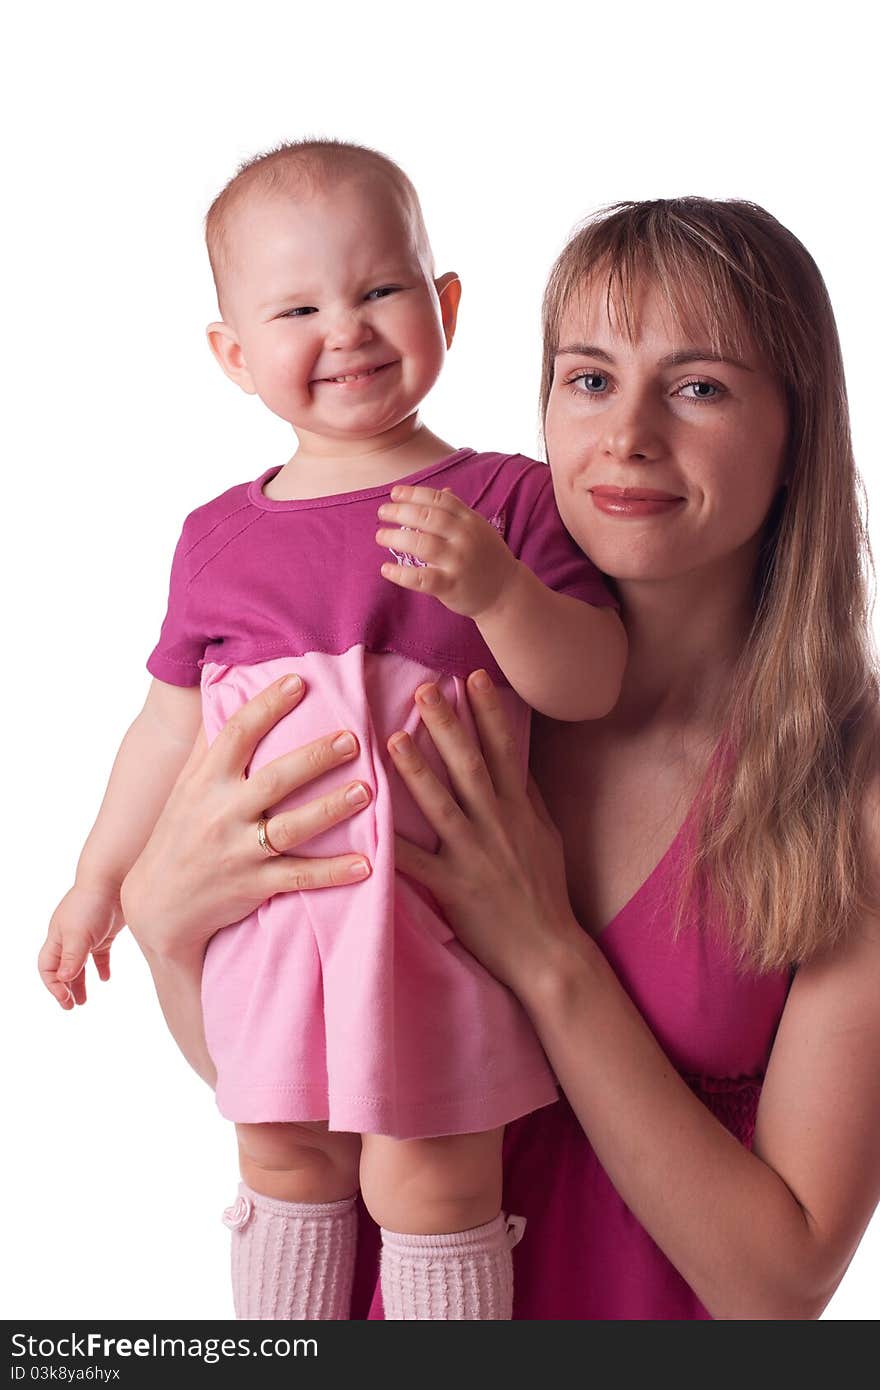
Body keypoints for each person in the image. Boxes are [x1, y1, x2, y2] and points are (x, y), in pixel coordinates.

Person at [116, 194, 880, 1320]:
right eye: (587, 379)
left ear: (796, 434)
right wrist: (162, 927)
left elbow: (777, 1285)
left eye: (699, 385)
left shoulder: (849, 792)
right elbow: (301, 1086)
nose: (626, 435)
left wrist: (546, 955)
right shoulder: (427, 703)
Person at [36, 139, 626, 1322]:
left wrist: (500, 593)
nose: (347, 328)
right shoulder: (215, 535)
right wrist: (96, 878)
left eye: (379, 290)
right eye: (299, 307)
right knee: (284, 1161)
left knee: (433, 1177)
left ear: (445, 305)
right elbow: (162, 730)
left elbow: (591, 682)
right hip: (273, 933)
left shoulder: (503, 498)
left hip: (433, 925)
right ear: (234, 356)